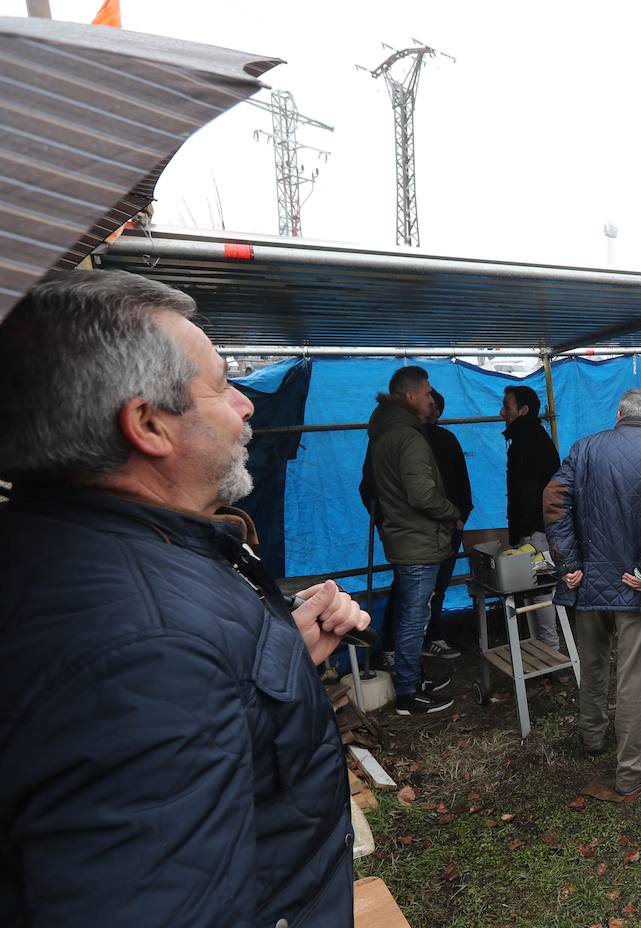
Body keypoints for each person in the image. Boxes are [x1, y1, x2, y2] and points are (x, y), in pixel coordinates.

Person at [0, 271, 369, 925]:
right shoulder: (142, 647)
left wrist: (274, 664)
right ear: (149, 425)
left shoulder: (87, 552)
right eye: (224, 385)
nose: (247, 406)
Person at [543, 388, 641, 796]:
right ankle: (632, 772)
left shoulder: (584, 447)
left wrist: (569, 563)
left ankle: (592, 738)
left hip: (589, 583)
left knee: (592, 665)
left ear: (618, 415)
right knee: (633, 680)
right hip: (638, 590)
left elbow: (554, 500)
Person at [366, 366, 461, 714]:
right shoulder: (406, 437)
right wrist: (451, 511)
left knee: (411, 612)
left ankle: (412, 676)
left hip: (406, 536)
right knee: (413, 617)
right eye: (426, 392)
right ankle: (408, 691)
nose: (430, 398)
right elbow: (422, 495)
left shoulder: (385, 431)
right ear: (409, 396)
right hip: (417, 540)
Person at [500, 383, 562, 649]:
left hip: (537, 530)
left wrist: (526, 534)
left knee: (541, 590)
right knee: (533, 589)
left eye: (507, 406)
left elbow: (531, 492)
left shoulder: (529, 442)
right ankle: (541, 646)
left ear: (523, 410)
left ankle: (550, 647)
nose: (502, 412)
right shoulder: (525, 438)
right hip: (533, 529)